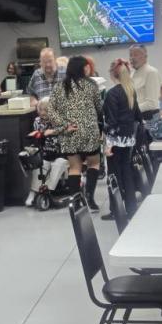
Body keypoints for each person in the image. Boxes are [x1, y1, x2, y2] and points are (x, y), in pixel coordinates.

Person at [48, 56, 103, 211]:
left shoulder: (59, 86)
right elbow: (99, 107)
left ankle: (76, 202)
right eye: (87, 66)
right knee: (94, 163)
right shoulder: (91, 84)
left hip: (70, 133)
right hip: (89, 131)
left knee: (74, 167)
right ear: (83, 68)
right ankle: (90, 198)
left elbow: (51, 111)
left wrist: (64, 125)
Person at [101, 59, 142, 220]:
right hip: (128, 139)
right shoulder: (130, 91)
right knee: (126, 173)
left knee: (113, 176)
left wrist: (108, 145)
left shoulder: (112, 94)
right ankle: (131, 208)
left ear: (112, 74)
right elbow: (137, 116)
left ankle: (115, 210)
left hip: (115, 141)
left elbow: (111, 122)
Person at [24, 97, 68, 207]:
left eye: (46, 110)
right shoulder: (37, 121)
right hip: (45, 153)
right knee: (40, 165)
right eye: (41, 110)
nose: (43, 113)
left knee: (58, 164)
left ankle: (47, 190)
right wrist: (36, 134)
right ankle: (33, 192)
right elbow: (38, 133)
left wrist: (52, 131)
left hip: (61, 153)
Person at [129, 44, 162, 121]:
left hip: (149, 118)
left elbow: (152, 103)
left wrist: (131, 111)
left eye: (135, 55)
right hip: (137, 117)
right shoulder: (132, 73)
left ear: (145, 56)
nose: (132, 58)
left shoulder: (151, 72)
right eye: (130, 55)